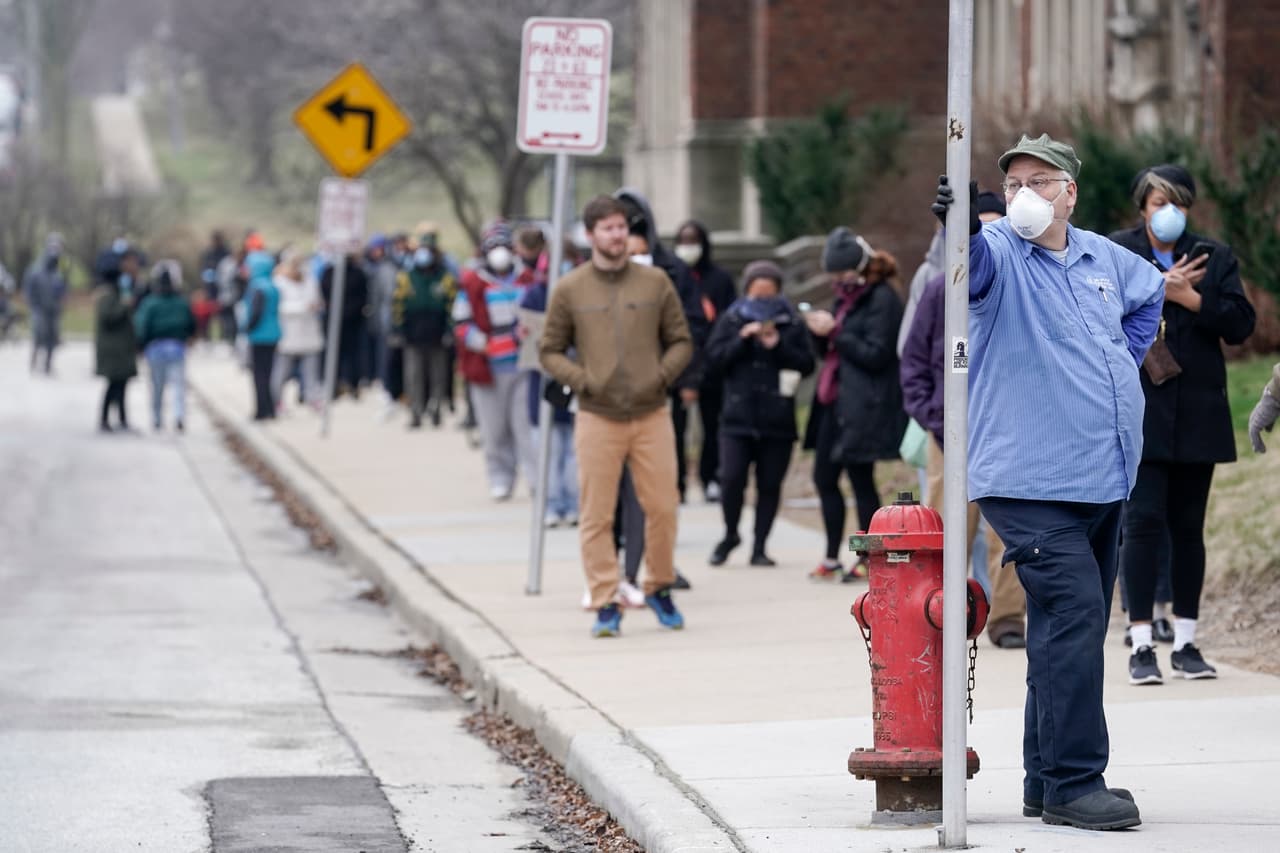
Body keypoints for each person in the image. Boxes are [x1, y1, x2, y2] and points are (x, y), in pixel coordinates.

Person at [932, 133, 1165, 830]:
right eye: (1012, 185)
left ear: (1070, 192)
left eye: (1039, 181)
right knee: (1077, 613)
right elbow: (967, 273)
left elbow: (1150, 297)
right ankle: (1074, 780)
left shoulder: (1104, 258)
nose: (1023, 195)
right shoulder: (1000, 251)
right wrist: (956, 229)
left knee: (1062, 629)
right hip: (1028, 481)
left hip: (1103, 474)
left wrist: (1117, 363)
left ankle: (1042, 777)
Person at [1110, 164, 1256, 685]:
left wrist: (1191, 298)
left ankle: (1189, 642)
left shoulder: (1213, 255)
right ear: (1141, 207)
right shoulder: (1120, 251)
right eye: (1156, 203)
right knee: (1142, 525)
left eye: (1176, 203)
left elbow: (1242, 324)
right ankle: (1142, 642)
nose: (1166, 213)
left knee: (1189, 530)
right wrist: (1155, 290)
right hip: (1140, 411)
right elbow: (1094, 313)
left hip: (1199, 412)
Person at [540, 195, 693, 638]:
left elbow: (681, 340)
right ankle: (606, 600)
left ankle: (660, 586)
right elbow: (548, 350)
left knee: (662, 506)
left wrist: (659, 377)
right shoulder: (571, 288)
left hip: (651, 413)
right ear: (590, 235)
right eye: (607, 228)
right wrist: (582, 379)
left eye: (621, 227)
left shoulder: (655, 282)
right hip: (597, 415)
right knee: (597, 513)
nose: (617, 234)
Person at [900, 191, 1028, 649]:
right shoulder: (939, 290)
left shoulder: (1021, 287)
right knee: (946, 529)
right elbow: (913, 362)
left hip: (1008, 432)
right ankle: (940, 613)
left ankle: (1009, 616)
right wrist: (938, 419)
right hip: (949, 434)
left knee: (1009, 531)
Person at [803, 228, 907, 581]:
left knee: (861, 480)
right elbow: (833, 352)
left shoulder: (882, 299)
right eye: (833, 274)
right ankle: (831, 556)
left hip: (866, 404)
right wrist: (819, 334)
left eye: (843, 272)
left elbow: (877, 354)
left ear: (859, 266)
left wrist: (835, 331)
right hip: (834, 401)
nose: (838, 279)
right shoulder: (844, 298)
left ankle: (869, 558)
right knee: (824, 477)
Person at [704, 260, 814, 566]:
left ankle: (760, 545)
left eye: (769, 294)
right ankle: (730, 533)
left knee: (769, 484)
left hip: (777, 418)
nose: (763, 300)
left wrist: (776, 345)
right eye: (757, 293)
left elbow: (806, 364)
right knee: (731, 478)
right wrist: (741, 339)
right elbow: (713, 361)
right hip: (736, 418)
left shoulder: (790, 322)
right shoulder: (731, 319)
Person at [614, 189, 710, 506]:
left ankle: (669, 502)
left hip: (665, 379)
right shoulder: (598, 273)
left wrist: (686, 379)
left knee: (667, 450)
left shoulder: (672, 270)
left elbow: (692, 327)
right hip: (616, 383)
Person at [453, 220, 535, 498]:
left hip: (522, 364)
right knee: (494, 428)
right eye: (493, 247)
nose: (499, 252)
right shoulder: (473, 283)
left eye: (503, 246)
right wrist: (481, 343)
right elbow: (461, 323)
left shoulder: (527, 278)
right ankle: (500, 477)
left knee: (525, 427)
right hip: (488, 368)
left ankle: (535, 477)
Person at [673, 220, 738, 502]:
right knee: (676, 428)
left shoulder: (720, 280)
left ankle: (711, 476)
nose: (688, 246)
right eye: (683, 240)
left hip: (712, 362)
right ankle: (678, 483)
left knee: (713, 426)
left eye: (693, 240)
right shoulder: (671, 276)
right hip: (678, 363)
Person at [519, 258, 579, 528]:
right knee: (548, 448)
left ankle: (574, 502)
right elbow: (520, 331)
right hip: (544, 383)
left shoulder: (582, 294)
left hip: (576, 380)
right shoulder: (533, 296)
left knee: (573, 451)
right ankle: (552, 504)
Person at [393, 239, 455, 428]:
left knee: (438, 376)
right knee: (414, 376)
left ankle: (436, 410)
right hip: (413, 337)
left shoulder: (445, 278)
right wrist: (398, 330)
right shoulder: (406, 278)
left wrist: (450, 331)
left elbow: (452, 307)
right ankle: (415, 412)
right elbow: (397, 306)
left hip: (438, 336)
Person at [133, 260, 195, 432]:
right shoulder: (181, 302)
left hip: (155, 348)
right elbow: (191, 323)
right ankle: (179, 415)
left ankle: (157, 417)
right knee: (179, 386)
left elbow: (142, 325)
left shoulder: (150, 303)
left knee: (157, 386)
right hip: (177, 348)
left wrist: (140, 345)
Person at [271, 248, 325, 410]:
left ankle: (312, 397)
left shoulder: (310, 280)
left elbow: (317, 299)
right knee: (282, 370)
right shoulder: (279, 282)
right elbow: (279, 308)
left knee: (311, 370)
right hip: (288, 332)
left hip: (309, 331)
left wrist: (316, 306)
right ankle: (277, 400)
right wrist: (303, 307)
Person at [94, 249, 140, 433]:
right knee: (113, 386)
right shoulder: (108, 296)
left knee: (121, 386)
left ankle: (122, 419)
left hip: (122, 349)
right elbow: (108, 317)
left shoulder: (118, 293)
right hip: (113, 350)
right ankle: (105, 419)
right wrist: (124, 306)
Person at [320, 253, 370, 399]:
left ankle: (351, 385)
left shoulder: (357, 273)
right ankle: (335, 386)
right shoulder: (330, 272)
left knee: (351, 355)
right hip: (339, 321)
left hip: (351, 322)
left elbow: (363, 296)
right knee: (336, 355)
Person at [241, 250, 281, 421]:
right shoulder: (272, 285)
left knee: (259, 374)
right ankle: (271, 408)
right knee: (269, 373)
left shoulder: (257, 286)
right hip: (273, 333)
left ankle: (261, 410)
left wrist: (246, 328)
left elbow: (256, 312)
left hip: (259, 335)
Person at [22, 233, 69, 375]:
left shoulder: (60, 270)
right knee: (38, 335)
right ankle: (33, 362)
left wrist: (62, 300)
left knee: (52, 338)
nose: (56, 250)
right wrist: (33, 305)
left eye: (58, 247)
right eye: (54, 246)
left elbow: (64, 289)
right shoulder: (36, 269)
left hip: (53, 310)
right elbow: (28, 289)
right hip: (39, 309)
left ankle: (48, 365)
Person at [1248, 363, 1280, 452]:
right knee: (1253, 426)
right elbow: (1276, 368)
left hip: (1272, 398)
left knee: (1254, 425)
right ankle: (1259, 447)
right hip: (1272, 398)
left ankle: (1268, 425)